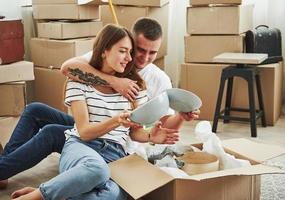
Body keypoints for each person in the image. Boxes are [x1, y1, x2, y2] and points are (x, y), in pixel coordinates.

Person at [0, 17, 199, 189]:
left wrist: (181, 116)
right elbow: (68, 68)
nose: (144, 58)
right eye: (139, 50)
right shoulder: (113, 57)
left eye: (152, 53)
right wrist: (114, 81)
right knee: (35, 110)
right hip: (91, 127)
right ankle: (4, 168)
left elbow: (161, 129)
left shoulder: (157, 79)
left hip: (117, 141)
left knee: (53, 132)